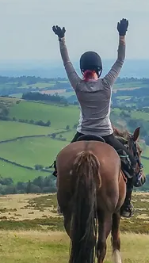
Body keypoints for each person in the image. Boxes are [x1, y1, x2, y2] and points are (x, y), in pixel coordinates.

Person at [53, 19, 137, 217]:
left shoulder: (78, 85)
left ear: (82, 69)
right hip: (105, 134)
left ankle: (61, 202)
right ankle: (126, 205)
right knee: (130, 163)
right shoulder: (107, 84)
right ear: (99, 69)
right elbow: (120, 61)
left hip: (83, 133)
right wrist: (122, 36)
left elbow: (66, 62)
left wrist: (62, 39)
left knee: (58, 166)